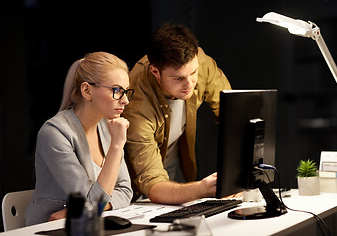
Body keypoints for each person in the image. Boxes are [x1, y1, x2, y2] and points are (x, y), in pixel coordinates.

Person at [122, 23, 231, 204]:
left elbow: (233, 113)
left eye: (194, 73)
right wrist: (204, 189)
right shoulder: (136, 104)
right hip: (139, 190)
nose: (190, 84)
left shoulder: (199, 62)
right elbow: (153, 183)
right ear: (155, 71)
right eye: (178, 78)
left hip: (177, 168)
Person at [25, 52, 134, 226]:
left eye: (126, 91)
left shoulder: (107, 127)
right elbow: (89, 200)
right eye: (117, 90)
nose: (126, 100)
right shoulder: (54, 132)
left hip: (86, 223)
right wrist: (117, 145)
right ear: (86, 90)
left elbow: (125, 191)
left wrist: (77, 210)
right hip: (50, 228)